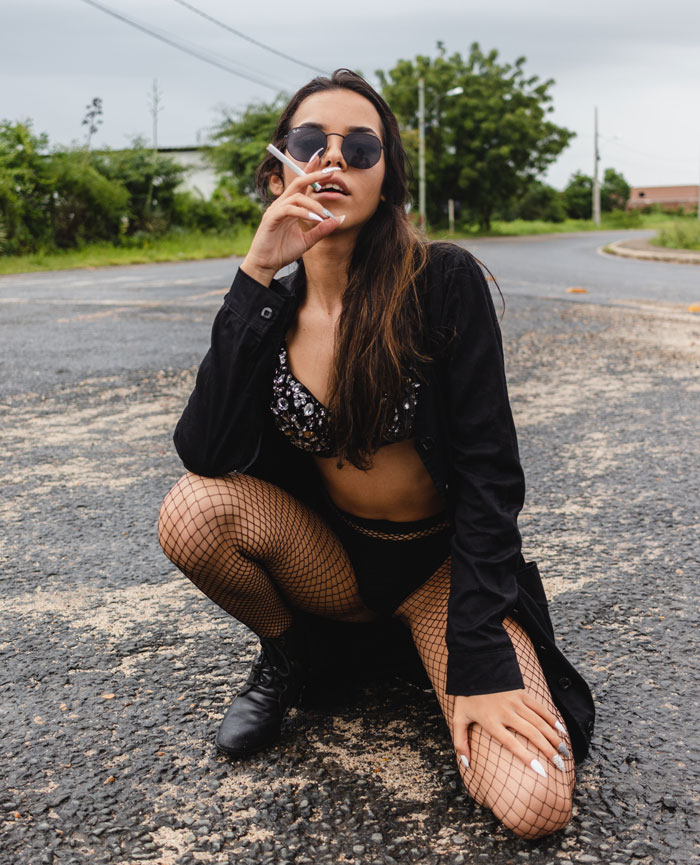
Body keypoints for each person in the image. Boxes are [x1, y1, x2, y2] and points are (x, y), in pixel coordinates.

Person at [158, 69, 594, 839]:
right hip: (334, 565)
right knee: (190, 511)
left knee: (536, 803)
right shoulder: (272, 310)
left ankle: (427, 656)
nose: (333, 159)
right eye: (309, 143)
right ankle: (292, 656)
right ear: (277, 172)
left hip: (439, 575)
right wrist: (255, 273)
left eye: (360, 148)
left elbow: (492, 475)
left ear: (386, 179)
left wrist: (480, 657)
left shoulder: (441, 283)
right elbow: (205, 448)